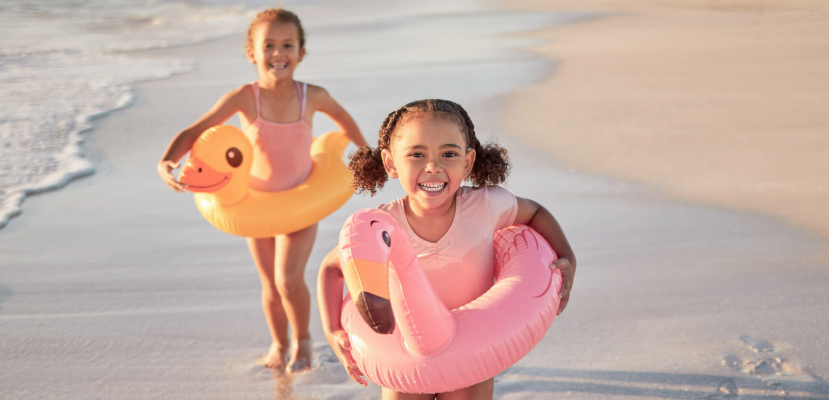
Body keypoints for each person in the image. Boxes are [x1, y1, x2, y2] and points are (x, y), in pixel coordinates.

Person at [317, 99, 576, 399]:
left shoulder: (487, 206)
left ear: (467, 162)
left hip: (474, 350)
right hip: (405, 358)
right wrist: (331, 328)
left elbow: (534, 213)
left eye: (449, 154)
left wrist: (566, 254)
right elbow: (332, 267)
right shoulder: (384, 226)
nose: (433, 167)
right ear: (391, 163)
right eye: (417, 154)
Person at [157, 8, 366, 373]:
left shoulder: (312, 96)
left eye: (287, 44)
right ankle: (278, 343)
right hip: (257, 206)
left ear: (301, 53)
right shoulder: (244, 97)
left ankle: (303, 343)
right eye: (268, 45)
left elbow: (344, 120)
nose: (278, 53)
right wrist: (167, 161)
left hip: (302, 200)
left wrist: (367, 154)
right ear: (251, 53)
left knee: (288, 279)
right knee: (270, 284)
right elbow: (196, 131)